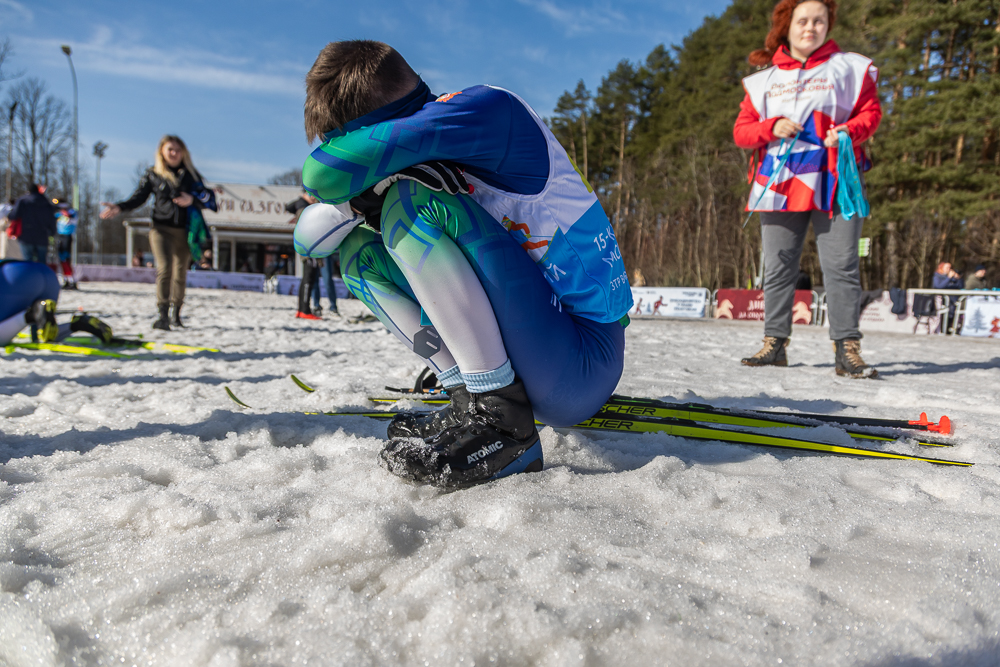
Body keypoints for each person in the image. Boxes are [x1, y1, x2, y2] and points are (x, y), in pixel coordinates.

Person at [298, 40, 632, 487]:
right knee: (359, 253)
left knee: (410, 203)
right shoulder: (426, 146)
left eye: (350, 141)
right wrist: (359, 201)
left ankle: (502, 422)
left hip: (583, 360)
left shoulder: (489, 110)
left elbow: (319, 175)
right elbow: (308, 240)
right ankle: (467, 396)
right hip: (541, 348)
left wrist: (366, 184)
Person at [734, 0, 881, 378]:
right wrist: (772, 127)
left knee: (842, 266)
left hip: (835, 181)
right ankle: (774, 344)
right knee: (778, 267)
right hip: (779, 183)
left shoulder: (850, 67)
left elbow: (870, 112)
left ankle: (847, 349)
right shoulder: (763, 80)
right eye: (803, 20)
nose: (811, 27)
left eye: (820, 20)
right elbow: (742, 132)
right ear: (787, 26)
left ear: (829, 23)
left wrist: (850, 130)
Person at [101, 136, 216, 330]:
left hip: (185, 231)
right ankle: (162, 314)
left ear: (184, 153)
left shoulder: (191, 175)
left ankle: (176, 314)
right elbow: (139, 198)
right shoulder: (153, 174)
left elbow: (208, 198)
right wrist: (120, 207)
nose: (174, 153)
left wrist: (192, 199)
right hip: (161, 228)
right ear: (161, 151)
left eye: (177, 150)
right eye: (170, 149)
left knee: (180, 272)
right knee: (165, 267)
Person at [9, 184, 56, 265]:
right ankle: (42, 276)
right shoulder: (46, 202)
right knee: (42, 262)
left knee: (28, 261)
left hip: (26, 235)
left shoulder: (23, 201)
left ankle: (30, 277)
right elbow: (52, 219)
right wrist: (52, 231)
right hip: (42, 235)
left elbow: (14, 215)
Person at [54, 201, 78, 289]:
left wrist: (64, 211)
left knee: (66, 259)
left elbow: (70, 215)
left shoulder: (72, 212)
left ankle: (72, 281)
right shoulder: (58, 214)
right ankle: (66, 280)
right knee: (61, 259)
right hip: (59, 236)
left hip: (67, 236)